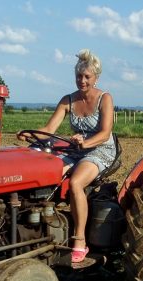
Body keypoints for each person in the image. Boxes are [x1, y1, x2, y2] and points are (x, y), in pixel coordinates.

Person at [17, 49, 117, 263]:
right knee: (46, 176)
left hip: (100, 149)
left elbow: (105, 133)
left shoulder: (104, 99)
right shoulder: (68, 100)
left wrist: (86, 142)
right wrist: (30, 133)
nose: (82, 81)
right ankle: (41, 226)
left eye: (87, 77)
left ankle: (79, 239)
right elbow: (49, 128)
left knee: (75, 183)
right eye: (79, 76)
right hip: (75, 149)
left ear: (96, 78)